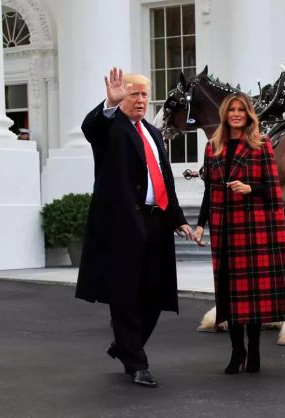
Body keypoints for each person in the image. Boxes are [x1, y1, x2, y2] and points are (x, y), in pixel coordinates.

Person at [76, 67, 193, 387]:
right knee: (125, 295)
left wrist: (179, 219)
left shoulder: (154, 134)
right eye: (133, 94)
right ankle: (137, 364)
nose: (140, 100)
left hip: (156, 221)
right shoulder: (111, 127)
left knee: (155, 294)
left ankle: (125, 345)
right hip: (123, 225)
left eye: (144, 95)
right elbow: (92, 128)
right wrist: (109, 104)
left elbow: (165, 181)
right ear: (120, 97)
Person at [194, 92, 285, 375]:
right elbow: (208, 191)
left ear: (248, 114)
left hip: (252, 230)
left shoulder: (260, 144)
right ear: (225, 114)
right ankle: (236, 351)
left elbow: (274, 190)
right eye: (232, 110)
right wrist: (201, 224)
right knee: (228, 294)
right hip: (223, 229)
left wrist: (250, 188)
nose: (237, 114)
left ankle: (252, 352)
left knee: (251, 296)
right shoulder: (212, 147)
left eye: (242, 109)